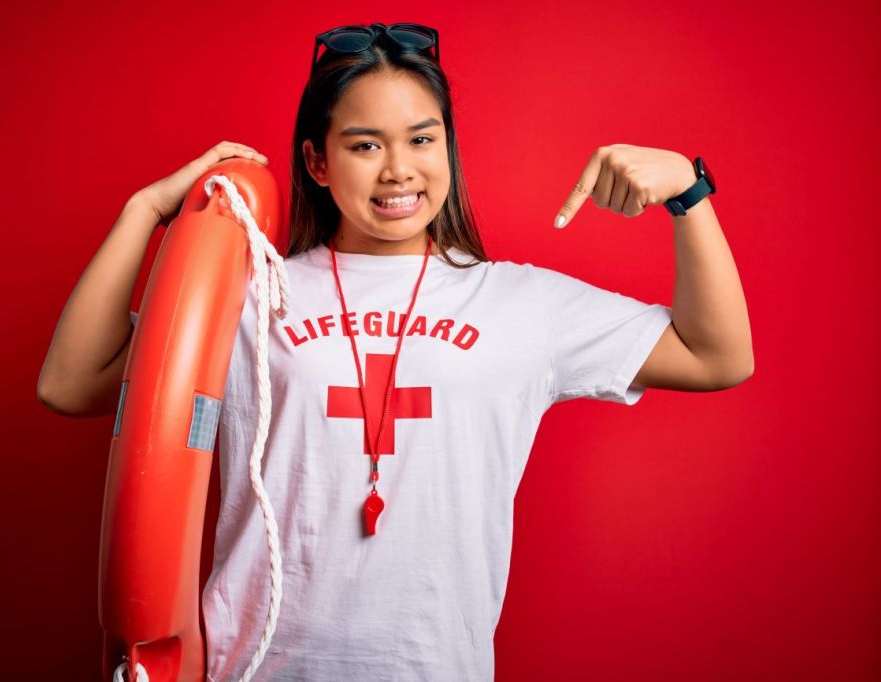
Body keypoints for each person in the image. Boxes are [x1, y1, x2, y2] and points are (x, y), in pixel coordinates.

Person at [38, 22, 753, 682]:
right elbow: (71, 384)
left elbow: (715, 356)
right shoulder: (251, 293)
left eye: (422, 139)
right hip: (254, 669)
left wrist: (689, 194)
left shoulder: (519, 303)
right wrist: (147, 211)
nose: (398, 171)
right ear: (317, 161)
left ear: (447, 147)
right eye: (365, 144)